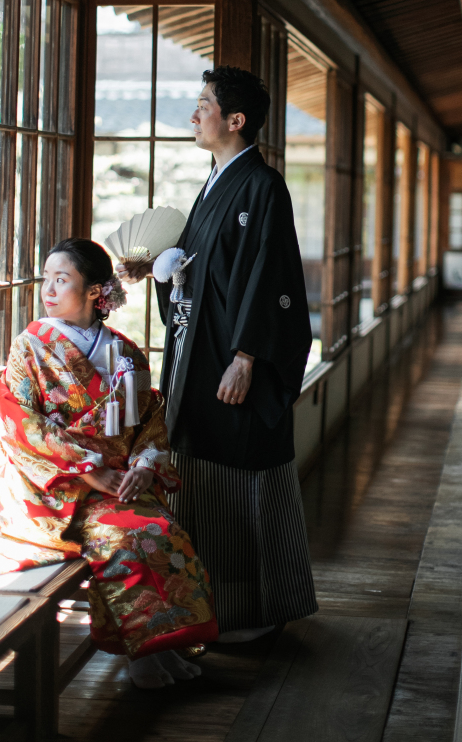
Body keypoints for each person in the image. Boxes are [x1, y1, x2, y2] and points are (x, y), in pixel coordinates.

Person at [121, 67, 318, 642]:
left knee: (243, 475)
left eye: (204, 104)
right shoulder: (213, 184)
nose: (194, 115)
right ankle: (211, 607)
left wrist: (248, 356)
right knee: (201, 474)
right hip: (197, 355)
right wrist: (157, 270)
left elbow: (271, 276)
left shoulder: (262, 185)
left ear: (235, 120)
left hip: (231, 364)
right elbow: (199, 268)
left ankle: (253, 612)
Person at [0, 237, 218, 689]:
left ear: (96, 291)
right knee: (130, 534)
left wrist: (145, 464)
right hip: (59, 486)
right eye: (46, 279)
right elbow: (20, 421)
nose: (48, 290)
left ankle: (165, 646)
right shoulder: (30, 346)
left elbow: (150, 418)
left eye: (62, 279)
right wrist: (90, 472)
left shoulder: (125, 352)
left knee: (165, 529)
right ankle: (143, 655)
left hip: (121, 481)